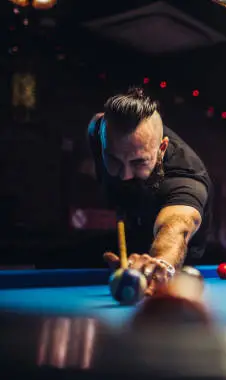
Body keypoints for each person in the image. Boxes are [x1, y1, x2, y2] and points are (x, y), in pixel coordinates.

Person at [86, 87, 212, 294]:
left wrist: (160, 263)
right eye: (114, 159)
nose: (125, 174)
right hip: (127, 237)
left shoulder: (186, 176)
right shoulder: (98, 130)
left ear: (161, 149)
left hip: (181, 264)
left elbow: (176, 226)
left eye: (138, 162)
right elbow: (95, 122)